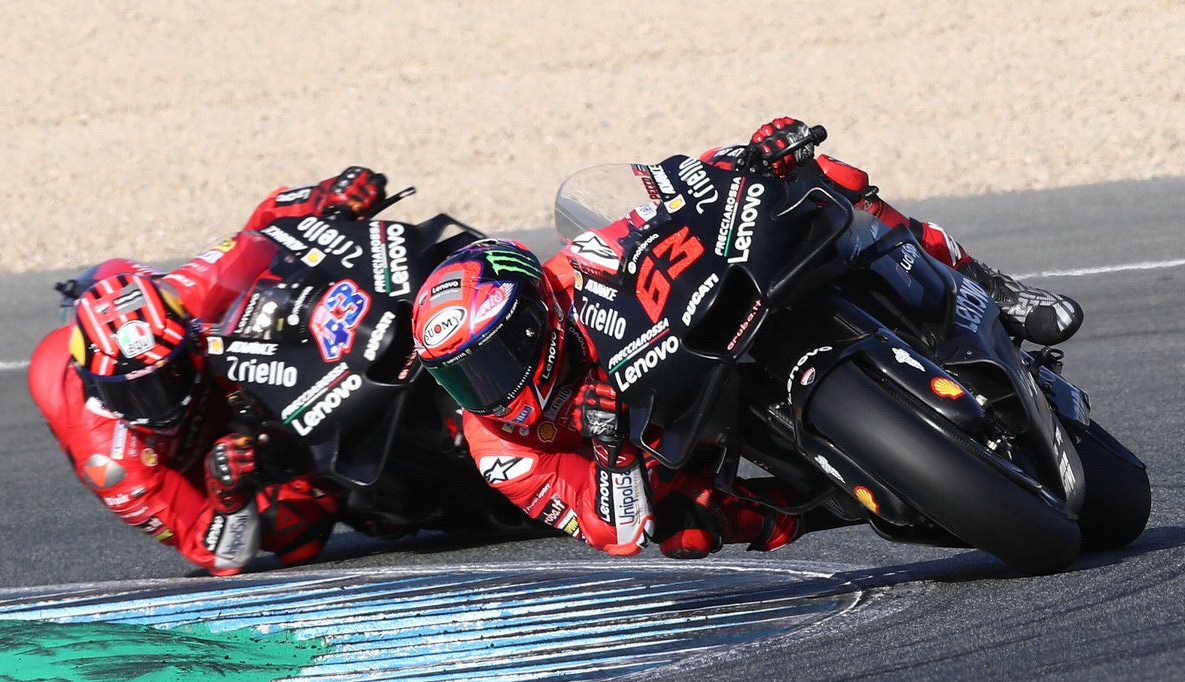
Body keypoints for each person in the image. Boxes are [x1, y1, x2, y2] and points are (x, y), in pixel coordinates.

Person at [409, 117, 1085, 559]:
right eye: (464, 377)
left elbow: (666, 195)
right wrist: (613, 450)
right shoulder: (500, 447)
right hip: (671, 442)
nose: (490, 387)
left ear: (535, 310)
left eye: (496, 356)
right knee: (686, 532)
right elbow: (612, 531)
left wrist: (751, 158)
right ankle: (810, 506)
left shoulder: (568, 274)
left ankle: (992, 287)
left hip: (707, 337)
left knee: (830, 185)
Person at [29, 167, 392, 575]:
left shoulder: (184, 298)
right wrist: (228, 497)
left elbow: (258, 237)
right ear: (98, 388)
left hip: (219, 376)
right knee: (292, 530)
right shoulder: (110, 462)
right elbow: (217, 555)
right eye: (135, 395)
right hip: (204, 463)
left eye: (169, 376)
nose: (161, 404)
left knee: (281, 281)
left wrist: (327, 198)